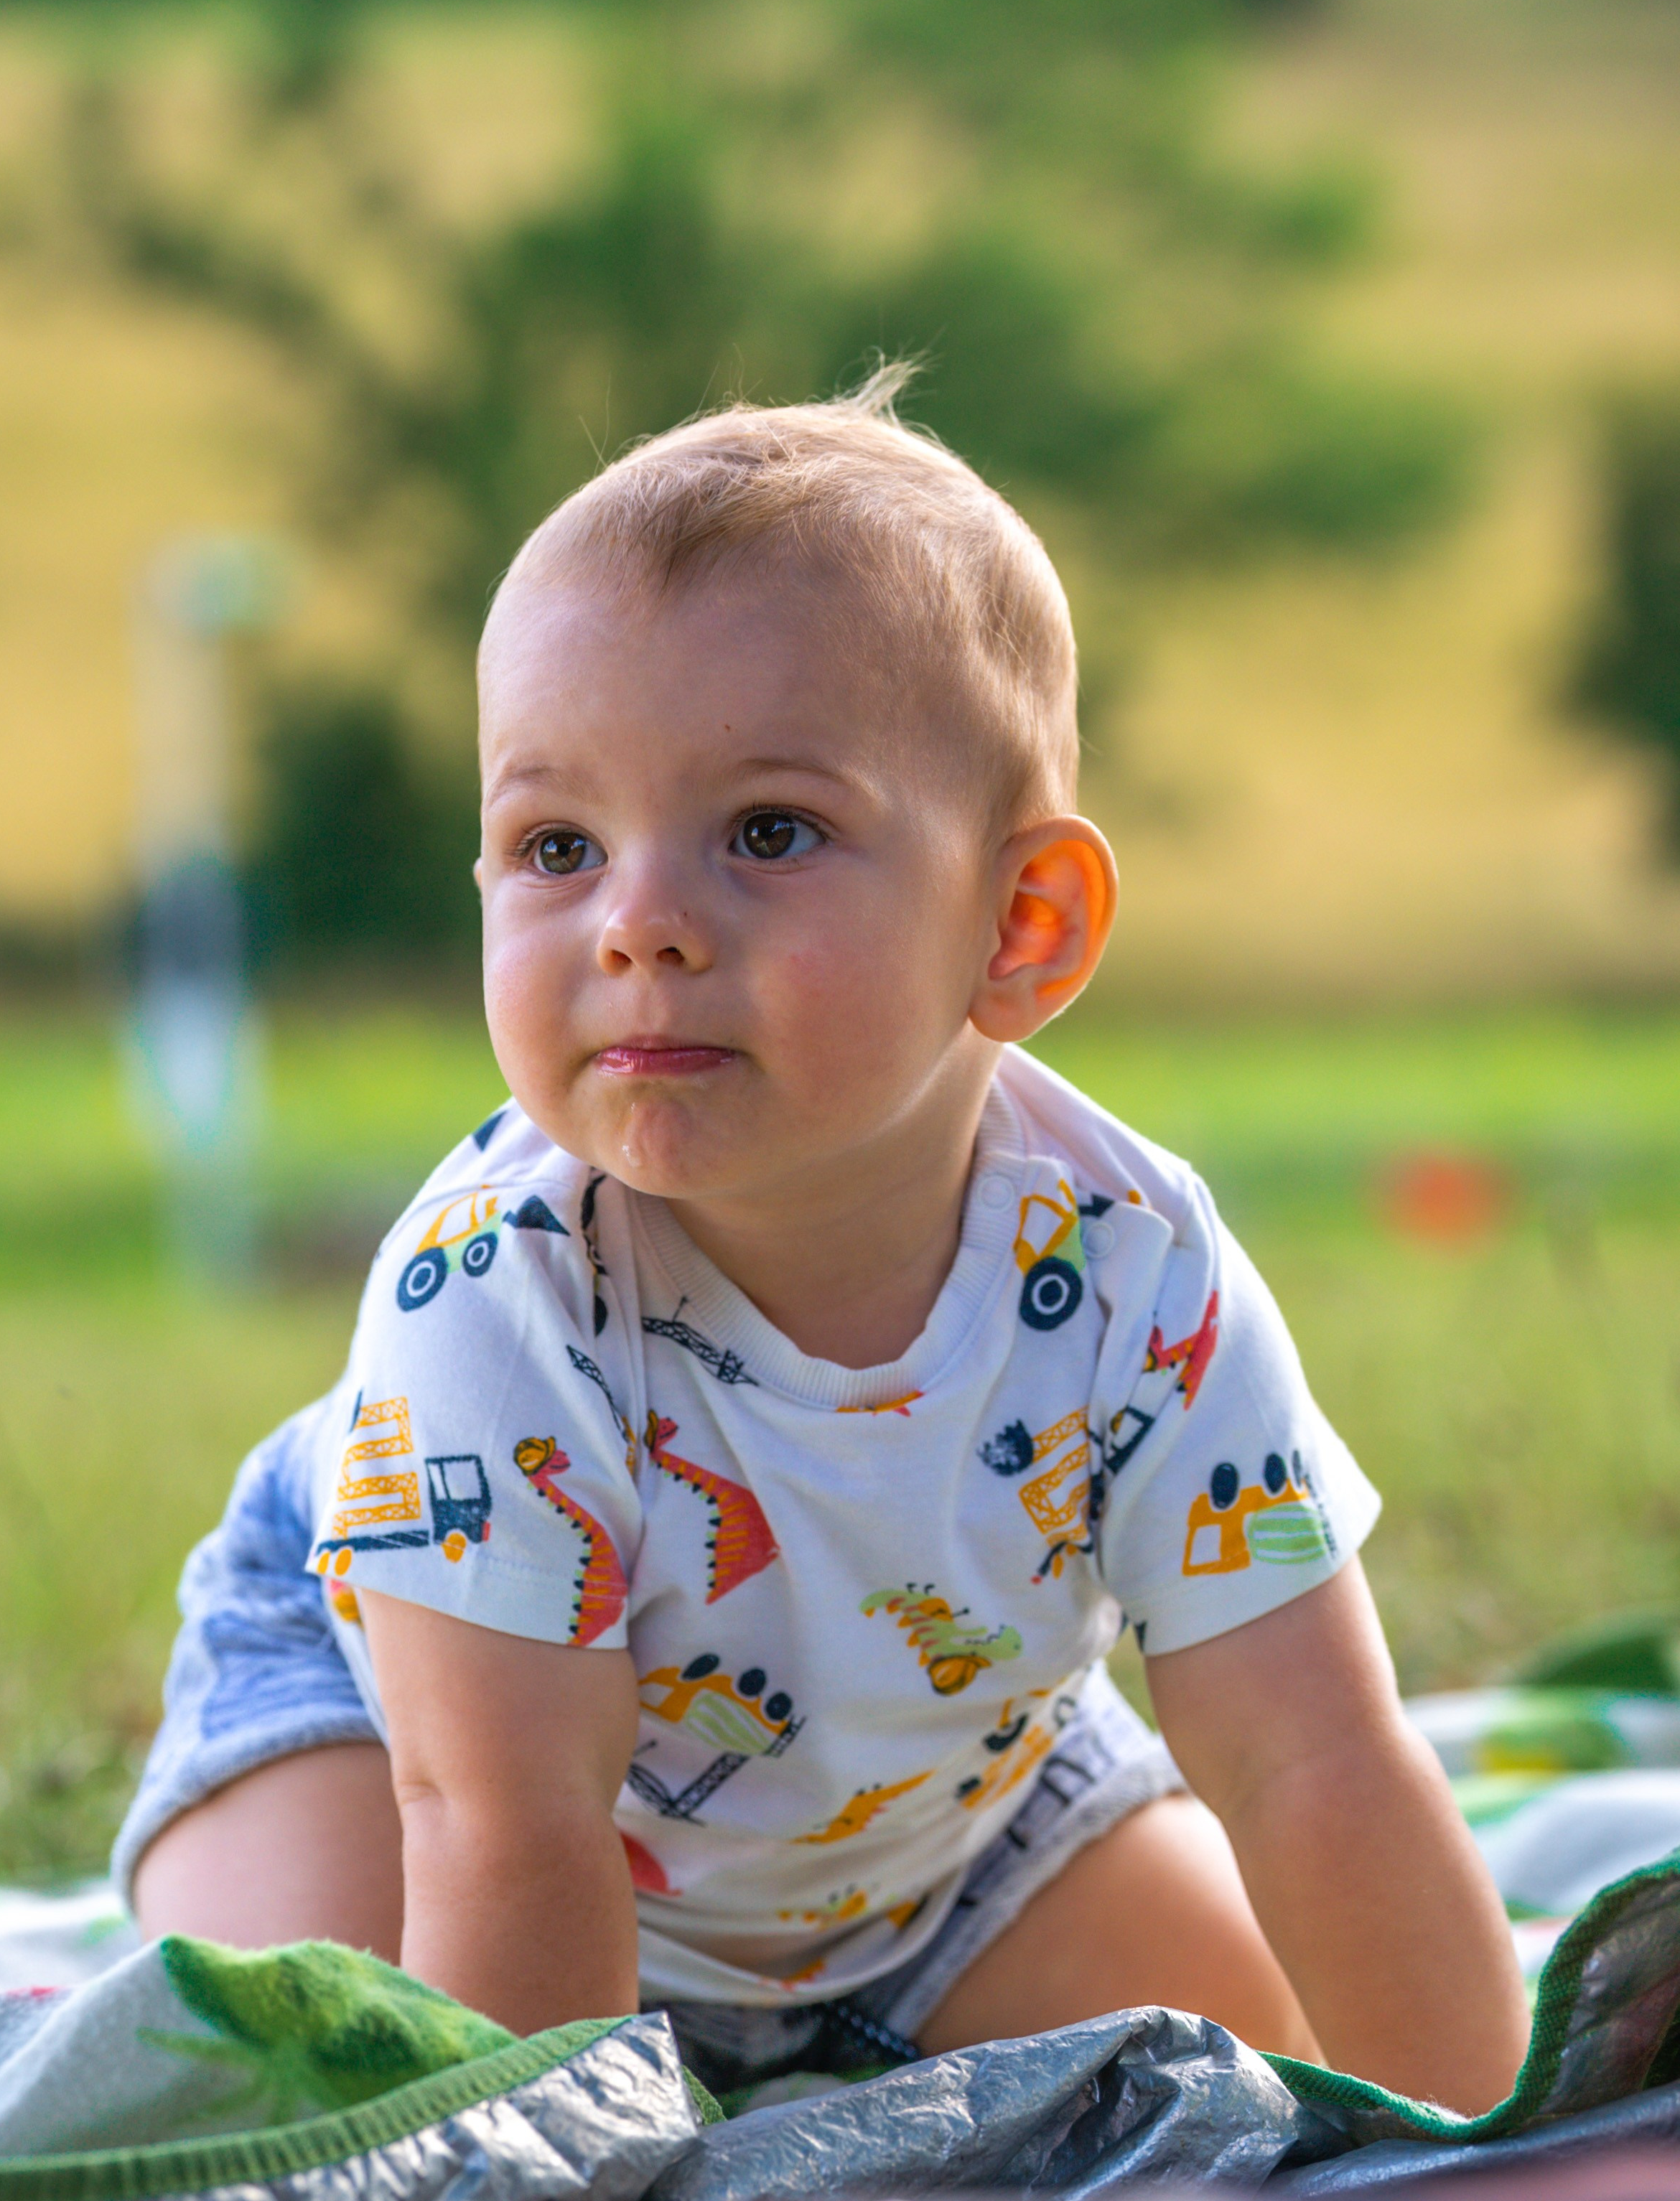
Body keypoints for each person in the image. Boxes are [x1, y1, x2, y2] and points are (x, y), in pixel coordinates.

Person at [119, 376, 1529, 2113]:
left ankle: (807, 2030)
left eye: (767, 833)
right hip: (390, 1742)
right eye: (555, 845)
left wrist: (1485, 2154)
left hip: (933, 1824)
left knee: (1272, 2067)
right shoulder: (503, 1286)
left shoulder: (1134, 1270)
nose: (637, 923)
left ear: (1021, 924)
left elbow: (1313, 1759)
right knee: (318, 2084)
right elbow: (505, 1820)